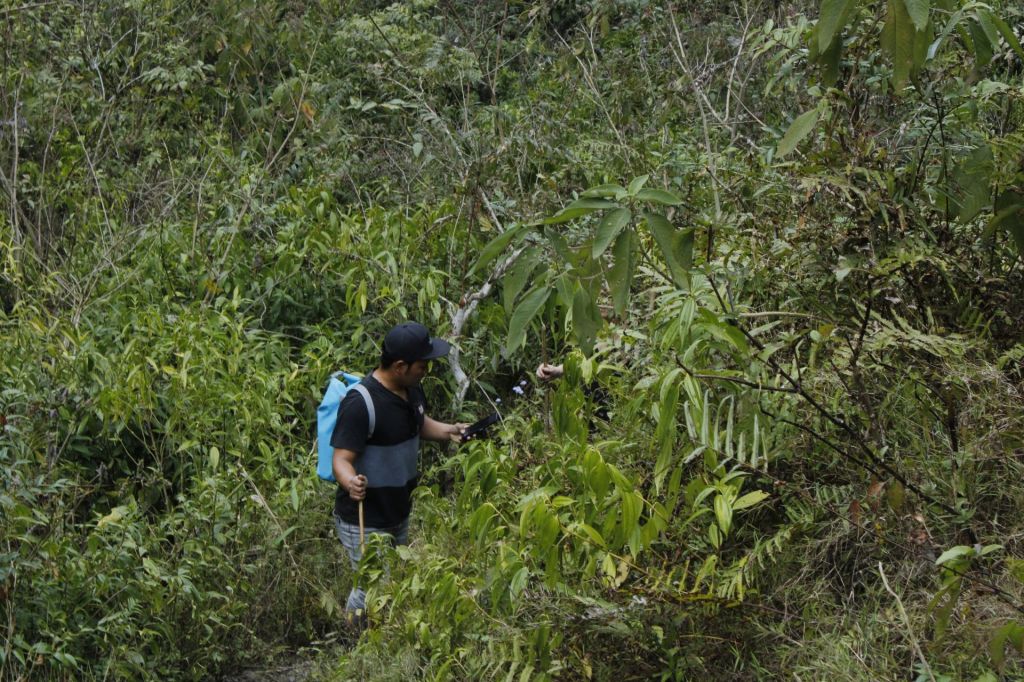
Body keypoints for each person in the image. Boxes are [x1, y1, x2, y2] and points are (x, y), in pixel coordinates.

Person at [331, 321, 466, 622]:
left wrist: (451, 431)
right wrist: (351, 482)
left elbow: (419, 424)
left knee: (394, 581)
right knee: (372, 587)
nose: (427, 371)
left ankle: (381, 634)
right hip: (366, 517)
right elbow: (341, 459)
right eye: (422, 365)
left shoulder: (411, 390)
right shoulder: (360, 403)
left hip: (398, 510)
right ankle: (353, 637)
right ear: (400, 366)